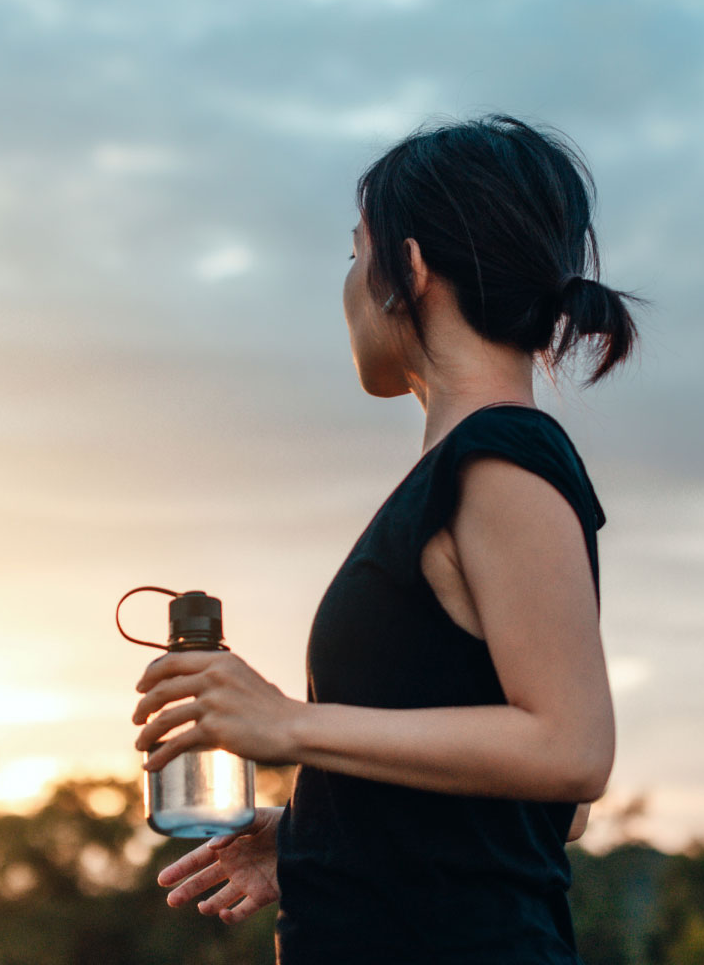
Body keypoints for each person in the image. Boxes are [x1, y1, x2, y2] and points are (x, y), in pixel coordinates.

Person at [132, 113, 645, 963]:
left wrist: (291, 724)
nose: (347, 285)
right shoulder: (467, 471)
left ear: (406, 269)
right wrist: (314, 836)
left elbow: (571, 752)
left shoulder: (503, 459)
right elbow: (527, 803)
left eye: (354, 254)